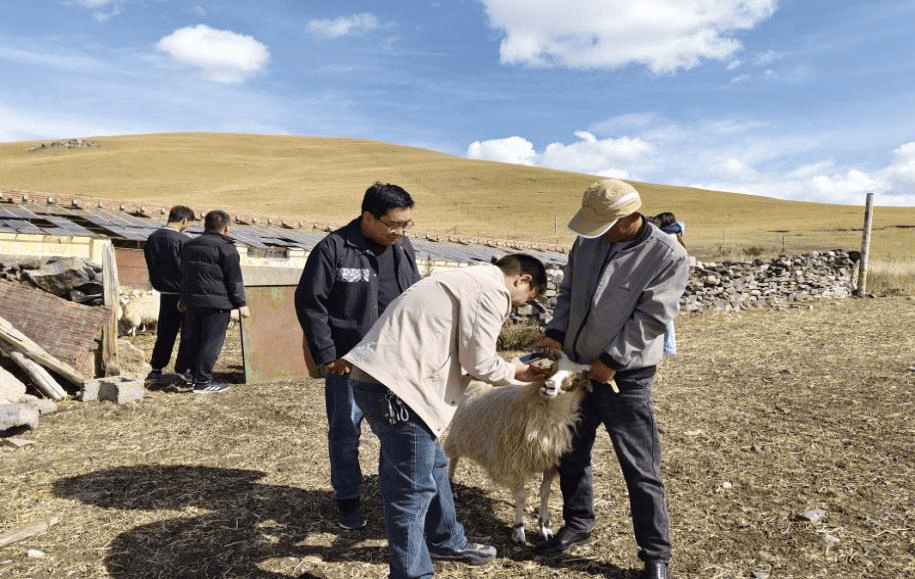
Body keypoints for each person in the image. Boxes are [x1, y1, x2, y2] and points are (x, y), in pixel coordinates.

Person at [342, 254, 551, 579]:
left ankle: (446, 540)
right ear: (523, 280)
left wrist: (509, 366)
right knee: (411, 490)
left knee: (434, 466)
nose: (525, 304)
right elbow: (478, 361)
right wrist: (515, 370)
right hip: (399, 391)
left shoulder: (466, 280)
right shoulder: (492, 291)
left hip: (378, 381)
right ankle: (413, 574)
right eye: (531, 296)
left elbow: (465, 349)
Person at [533, 179, 689, 579]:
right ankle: (578, 523)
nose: (594, 230)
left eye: (601, 223)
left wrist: (614, 359)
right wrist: (556, 330)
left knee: (639, 465)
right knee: (570, 450)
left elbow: (653, 316)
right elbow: (569, 293)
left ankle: (655, 556)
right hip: (576, 367)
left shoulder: (667, 255)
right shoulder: (587, 243)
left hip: (626, 377)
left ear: (628, 219)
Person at [294, 182, 422, 530]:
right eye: (393, 224)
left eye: (406, 224)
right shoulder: (334, 249)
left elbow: (415, 296)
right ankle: (348, 500)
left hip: (396, 363)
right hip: (349, 363)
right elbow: (311, 304)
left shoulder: (404, 247)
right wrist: (328, 354)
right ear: (368, 217)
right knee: (346, 431)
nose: (400, 231)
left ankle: (391, 492)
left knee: (396, 431)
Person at [179, 209, 250, 394]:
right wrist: (241, 303)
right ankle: (203, 383)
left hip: (193, 302)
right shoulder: (227, 248)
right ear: (226, 228)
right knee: (211, 343)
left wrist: (183, 298)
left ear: (206, 226)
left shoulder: (189, 245)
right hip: (216, 304)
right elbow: (234, 278)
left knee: (195, 340)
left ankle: (193, 377)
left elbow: (184, 275)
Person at [143, 205, 195, 387]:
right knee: (188, 333)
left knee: (165, 333)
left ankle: (156, 368)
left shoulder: (152, 238)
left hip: (164, 292)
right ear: (184, 221)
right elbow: (188, 269)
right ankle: (182, 370)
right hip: (183, 293)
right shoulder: (185, 241)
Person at [649, 212, 686, 356]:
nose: (655, 224)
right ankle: (666, 347)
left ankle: (668, 348)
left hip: (666, 279)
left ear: (663, 222)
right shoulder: (675, 234)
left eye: (657, 222)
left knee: (665, 313)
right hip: (672, 279)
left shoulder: (668, 237)